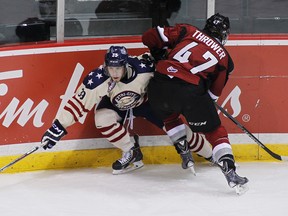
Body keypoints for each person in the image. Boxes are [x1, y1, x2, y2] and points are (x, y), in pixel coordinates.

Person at [41, 45, 213, 175]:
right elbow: (78, 103)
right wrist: (57, 127)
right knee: (102, 119)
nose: (114, 73)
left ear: (125, 64)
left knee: (180, 131)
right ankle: (132, 151)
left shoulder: (144, 67)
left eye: (118, 68)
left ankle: (213, 154)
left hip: (148, 103)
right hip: (116, 106)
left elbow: (170, 68)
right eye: (111, 68)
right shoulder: (98, 79)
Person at [142, 13, 249, 191]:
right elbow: (213, 95)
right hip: (189, 92)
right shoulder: (225, 60)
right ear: (225, 34)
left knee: (169, 116)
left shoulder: (187, 30)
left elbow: (149, 36)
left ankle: (184, 151)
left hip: (158, 87)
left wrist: (158, 53)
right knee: (215, 131)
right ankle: (230, 171)